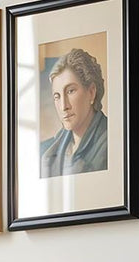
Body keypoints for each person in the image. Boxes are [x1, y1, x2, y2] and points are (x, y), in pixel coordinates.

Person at [40, 48, 108, 177]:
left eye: (70, 91)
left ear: (91, 92)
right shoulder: (47, 151)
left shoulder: (112, 142)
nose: (64, 106)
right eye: (57, 96)